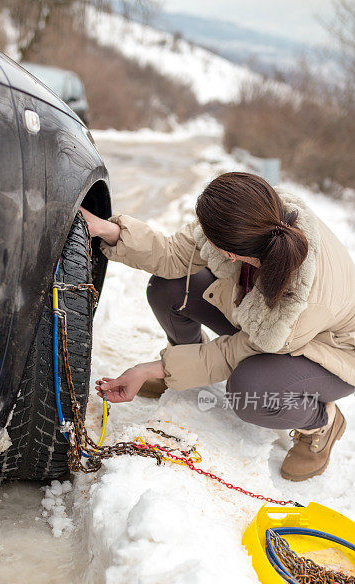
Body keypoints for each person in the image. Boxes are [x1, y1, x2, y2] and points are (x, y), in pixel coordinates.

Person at [80, 172, 355, 482]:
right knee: (169, 287)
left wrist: (151, 369)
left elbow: (232, 354)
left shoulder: (302, 300)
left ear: (228, 252)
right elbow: (172, 253)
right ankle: (183, 369)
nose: (202, 237)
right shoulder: (255, 218)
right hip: (265, 328)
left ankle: (321, 422)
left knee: (249, 389)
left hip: (331, 352)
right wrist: (105, 229)